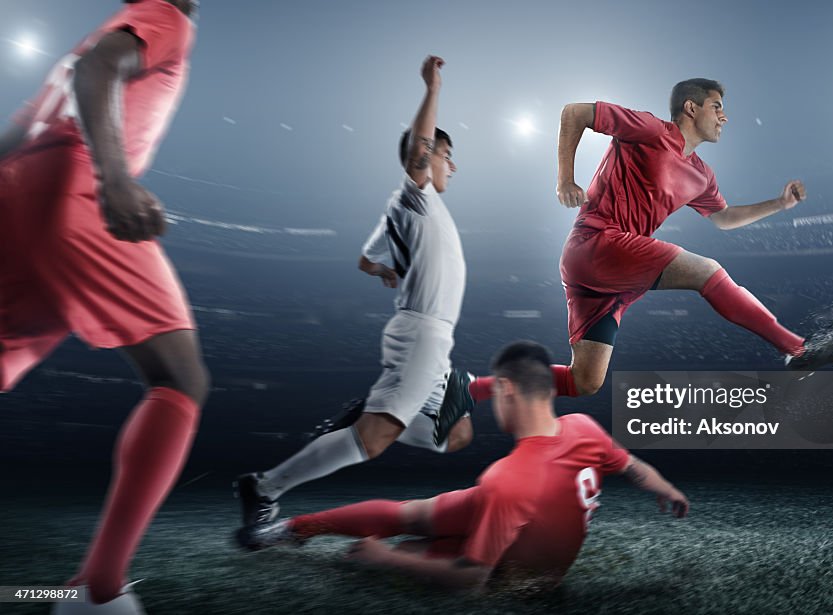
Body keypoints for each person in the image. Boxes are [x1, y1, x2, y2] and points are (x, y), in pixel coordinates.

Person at [449, 79, 833, 417]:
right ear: (690, 108)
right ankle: (797, 348)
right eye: (716, 106)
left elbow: (725, 218)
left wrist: (780, 204)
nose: (724, 116)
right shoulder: (649, 130)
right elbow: (574, 111)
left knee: (585, 381)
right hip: (597, 243)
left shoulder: (701, 175)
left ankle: (471, 389)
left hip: (615, 272)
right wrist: (564, 179)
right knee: (706, 271)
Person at [0, 1, 204, 612]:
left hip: (17, 189)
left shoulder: (104, 27)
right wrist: (115, 178)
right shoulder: (164, 15)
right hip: (75, 185)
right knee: (180, 377)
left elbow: (22, 125)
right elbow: (98, 70)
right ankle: (97, 590)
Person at [236, 341, 689, 593]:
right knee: (410, 515)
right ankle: (293, 529)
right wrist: (666, 489)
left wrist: (385, 557)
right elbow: (633, 467)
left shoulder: (509, 478)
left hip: (516, 577)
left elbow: (471, 579)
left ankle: (291, 530)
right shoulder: (583, 428)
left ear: (508, 391)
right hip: (527, 523)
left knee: (405, 543)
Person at [235, 56, 475, 530]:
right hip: (422, 333)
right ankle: (263, 489)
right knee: (377, 436)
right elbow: (419, 151)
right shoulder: (415, 195)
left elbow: (365, 258)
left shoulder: (411, 209)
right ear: (428, 155)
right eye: (449, 154)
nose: (454, 164)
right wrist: (433, 89)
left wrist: (384, 269)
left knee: (458, 432)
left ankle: (367, 411)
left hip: (436, 340)